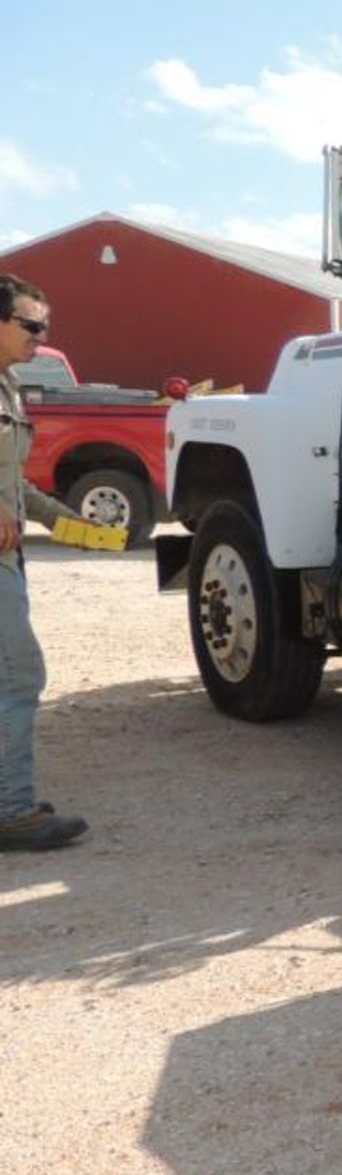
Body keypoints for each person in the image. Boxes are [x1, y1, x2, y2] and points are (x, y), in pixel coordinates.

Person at [0, 272, 88, 851]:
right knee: (20, 673)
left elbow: (14, 483)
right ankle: (13, 811)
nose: (42, 335)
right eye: (31, 325)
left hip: (10, 560)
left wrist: (65, 520)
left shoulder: (8, 387)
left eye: (45, 326)